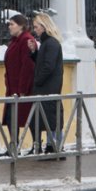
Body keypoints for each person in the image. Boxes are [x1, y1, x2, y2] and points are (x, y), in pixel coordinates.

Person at [2, 13, 39, 154]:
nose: (9, 27)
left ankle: (36, 145)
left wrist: (22, 88)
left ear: (21, 26)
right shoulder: (15, 41)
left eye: (12, 24)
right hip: (12, 87)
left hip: (23, 88)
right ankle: (13, 146)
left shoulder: (27, 40)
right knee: (12, 118)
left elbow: (28, 65)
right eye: (9, 24)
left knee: (29, 116)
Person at [30, 11, 64, 154]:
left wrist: (37, 80)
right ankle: (51, 145)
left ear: (44, 26)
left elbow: (48, 66)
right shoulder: (46, 43)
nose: (35, 30)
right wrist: (34, 52)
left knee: (52, 118)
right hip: (47, 87)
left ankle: (55, 146)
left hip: (49, 87)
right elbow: (42, 62)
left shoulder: (51, 43)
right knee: (48, 117)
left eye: (37, 26)